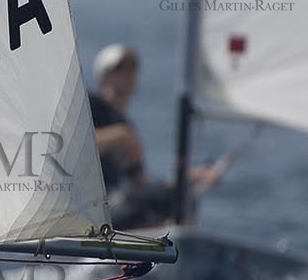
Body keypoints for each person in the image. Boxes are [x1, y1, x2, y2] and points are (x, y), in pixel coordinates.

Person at [90, 44, 221, 230]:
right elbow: (71, 147)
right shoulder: (91, 106)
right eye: (119, 68)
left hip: (117, 205)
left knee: (181, 196)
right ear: (103, 76)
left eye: (132, 67)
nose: (127, 74)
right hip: (90, 208)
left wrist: (189, 178)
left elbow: (141, 184)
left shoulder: (128, 127)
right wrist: (120, 136)